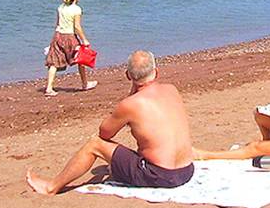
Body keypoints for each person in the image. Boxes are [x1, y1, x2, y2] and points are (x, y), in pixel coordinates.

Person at [26, 50, 195, 194]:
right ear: (156, 72)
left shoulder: (130, 104)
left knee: (94, 145)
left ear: (128, 75)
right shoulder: (171, 89)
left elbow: (104, 133)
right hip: (187, 171)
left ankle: (51, 187)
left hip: (160, 176)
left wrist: (130, 96)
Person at [43, 0, 97, 96]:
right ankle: (84, 84)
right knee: (80, 59)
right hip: (70, 37)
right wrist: (84, 39)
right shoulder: (76, 9)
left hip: (58, 35)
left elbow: (57, 23)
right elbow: (77, 26)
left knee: (54, 62)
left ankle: (49, 88)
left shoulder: (60, 8)